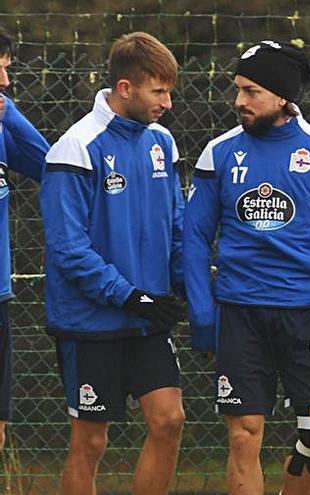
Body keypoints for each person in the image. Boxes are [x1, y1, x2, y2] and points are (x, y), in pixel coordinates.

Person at [183, 40, 310, 495]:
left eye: (251, 91)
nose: (239, 101)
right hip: (240, 314)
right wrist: (203, 312)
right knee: (243, 434)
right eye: (238, 89)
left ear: (283, 96)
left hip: (308, 315)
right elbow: (195, 237)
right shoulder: (219, 153)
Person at [41, 32, 187, 495]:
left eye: (169, 90)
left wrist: (184, 291)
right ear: (126, 88)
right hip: (92, 320)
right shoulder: (76, 146)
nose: (167, 101)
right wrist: (129, 295)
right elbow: (68, 249)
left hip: (146, 319)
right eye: (158, 91)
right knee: (91, 441)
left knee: (169, 421)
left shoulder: (162, 141)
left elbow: (177, 227)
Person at [0, 27, 50, 451]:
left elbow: (47, 165)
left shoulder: (2, 121)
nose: (5, 81)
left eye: (7, 70)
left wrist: (9, 114)